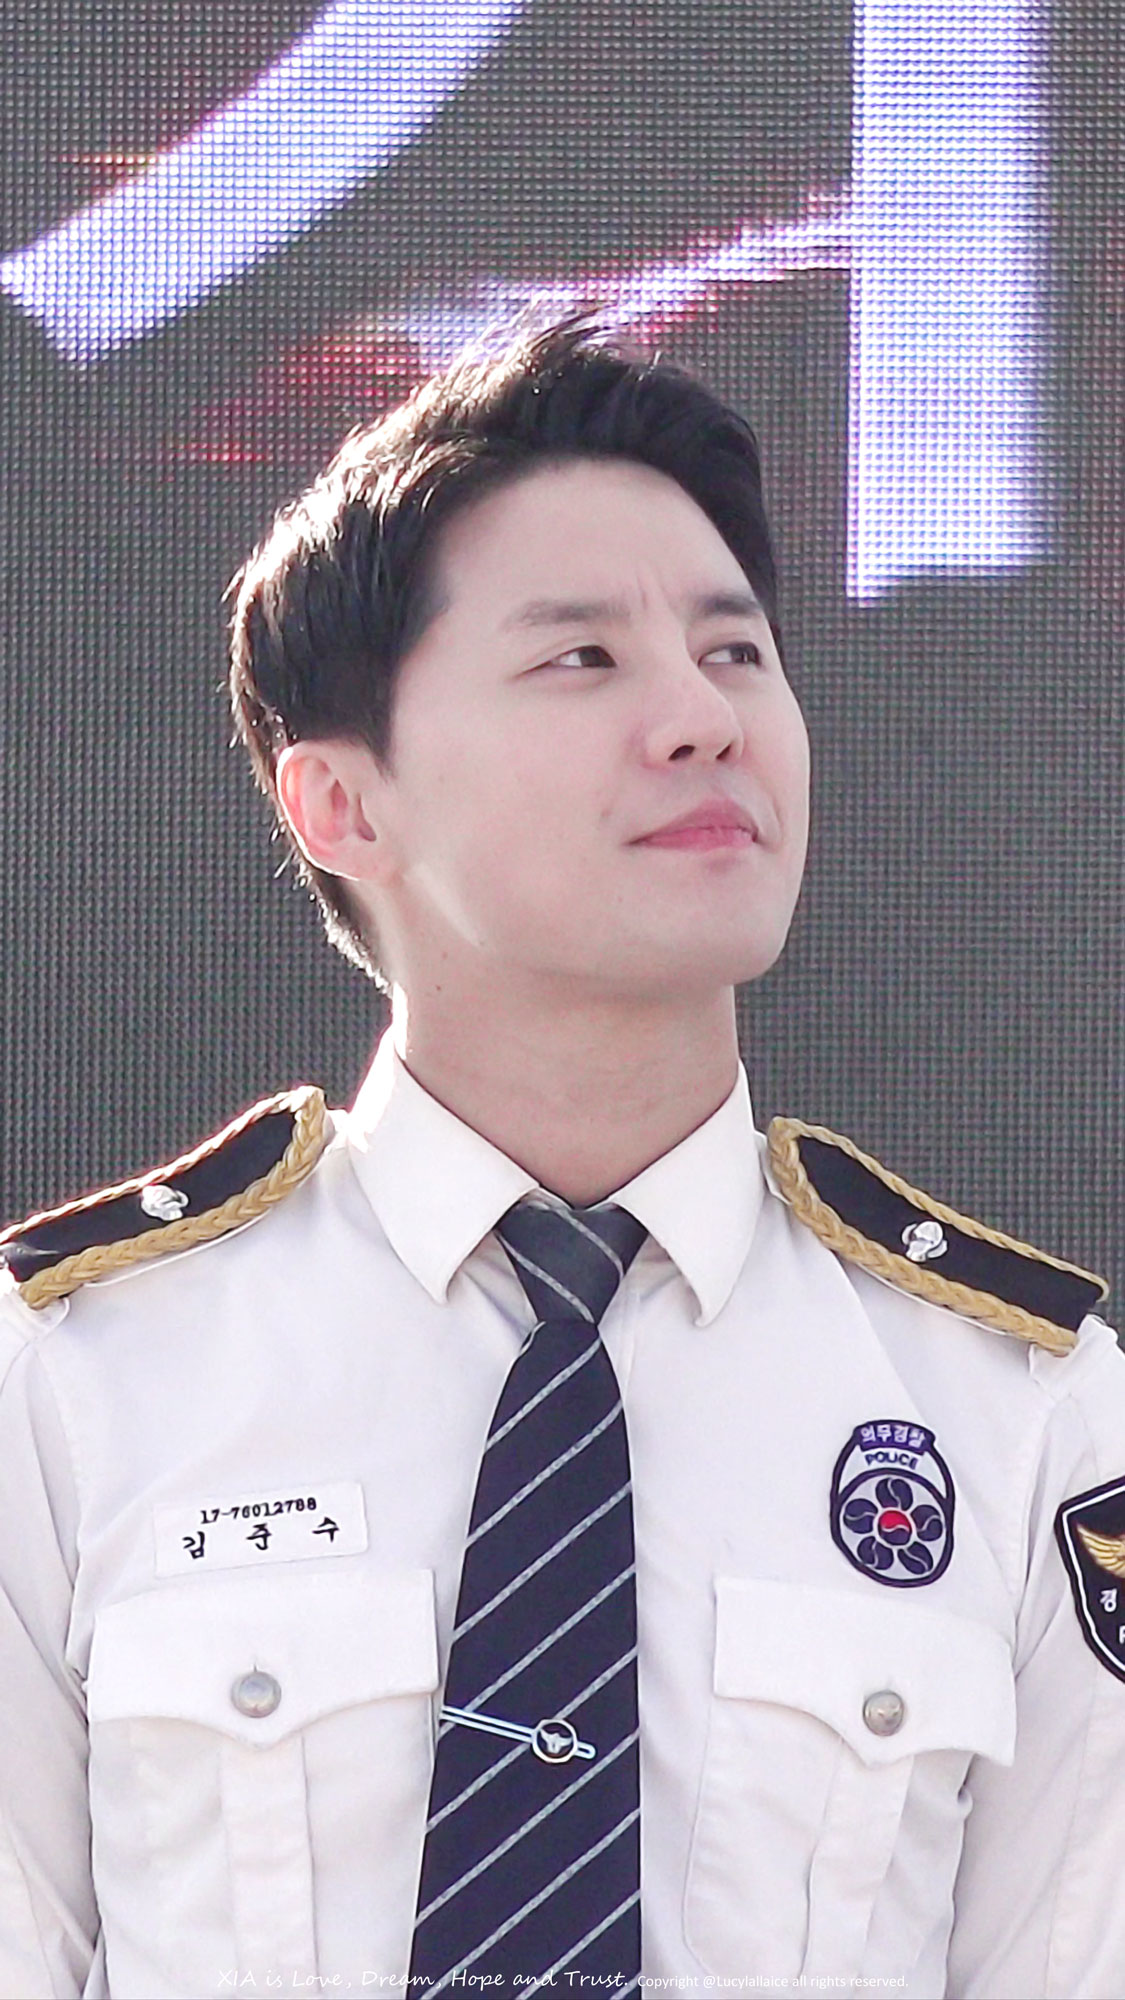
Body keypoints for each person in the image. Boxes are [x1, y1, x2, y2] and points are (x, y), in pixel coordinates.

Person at [1, 313, 1123, 2000]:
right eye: (582, 658)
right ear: (340, 806)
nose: (701, 719)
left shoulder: (1023, 1408)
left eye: (735, 651)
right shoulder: (77, 1382)